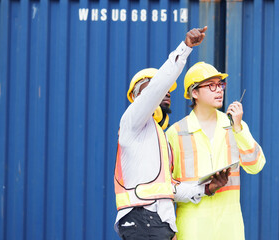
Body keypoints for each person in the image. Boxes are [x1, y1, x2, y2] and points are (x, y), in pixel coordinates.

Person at [114, 27, 218, 240]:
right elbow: (156, 88)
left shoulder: (158, 137)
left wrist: (205, 188)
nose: (167, 91)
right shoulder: (131, 122)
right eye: (162, 88)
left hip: (159, 223)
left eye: (169, 89)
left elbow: (166, 188)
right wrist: (185, 48)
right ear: (137, 95)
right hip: (142, 220)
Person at [166, 62, 266, 240]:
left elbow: (256, 165)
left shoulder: (234, 126)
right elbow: (165, 186)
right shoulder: (176, 132)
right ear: (194, 92)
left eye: (220, 84)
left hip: (230, 230)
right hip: (192, 231)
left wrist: (239, 129)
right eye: (211, 85)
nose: (219, 90)